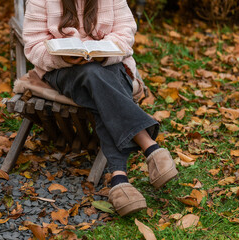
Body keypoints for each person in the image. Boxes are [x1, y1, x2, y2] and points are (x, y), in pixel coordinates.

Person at [22, 0, 178, 216]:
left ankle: (120, 180)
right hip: (63, 71)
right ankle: (149, 147)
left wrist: (104, 54)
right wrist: (63, 57)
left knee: (99, 82)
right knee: (93, 75)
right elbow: (33, 45)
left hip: (110, 65)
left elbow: (125, 33)